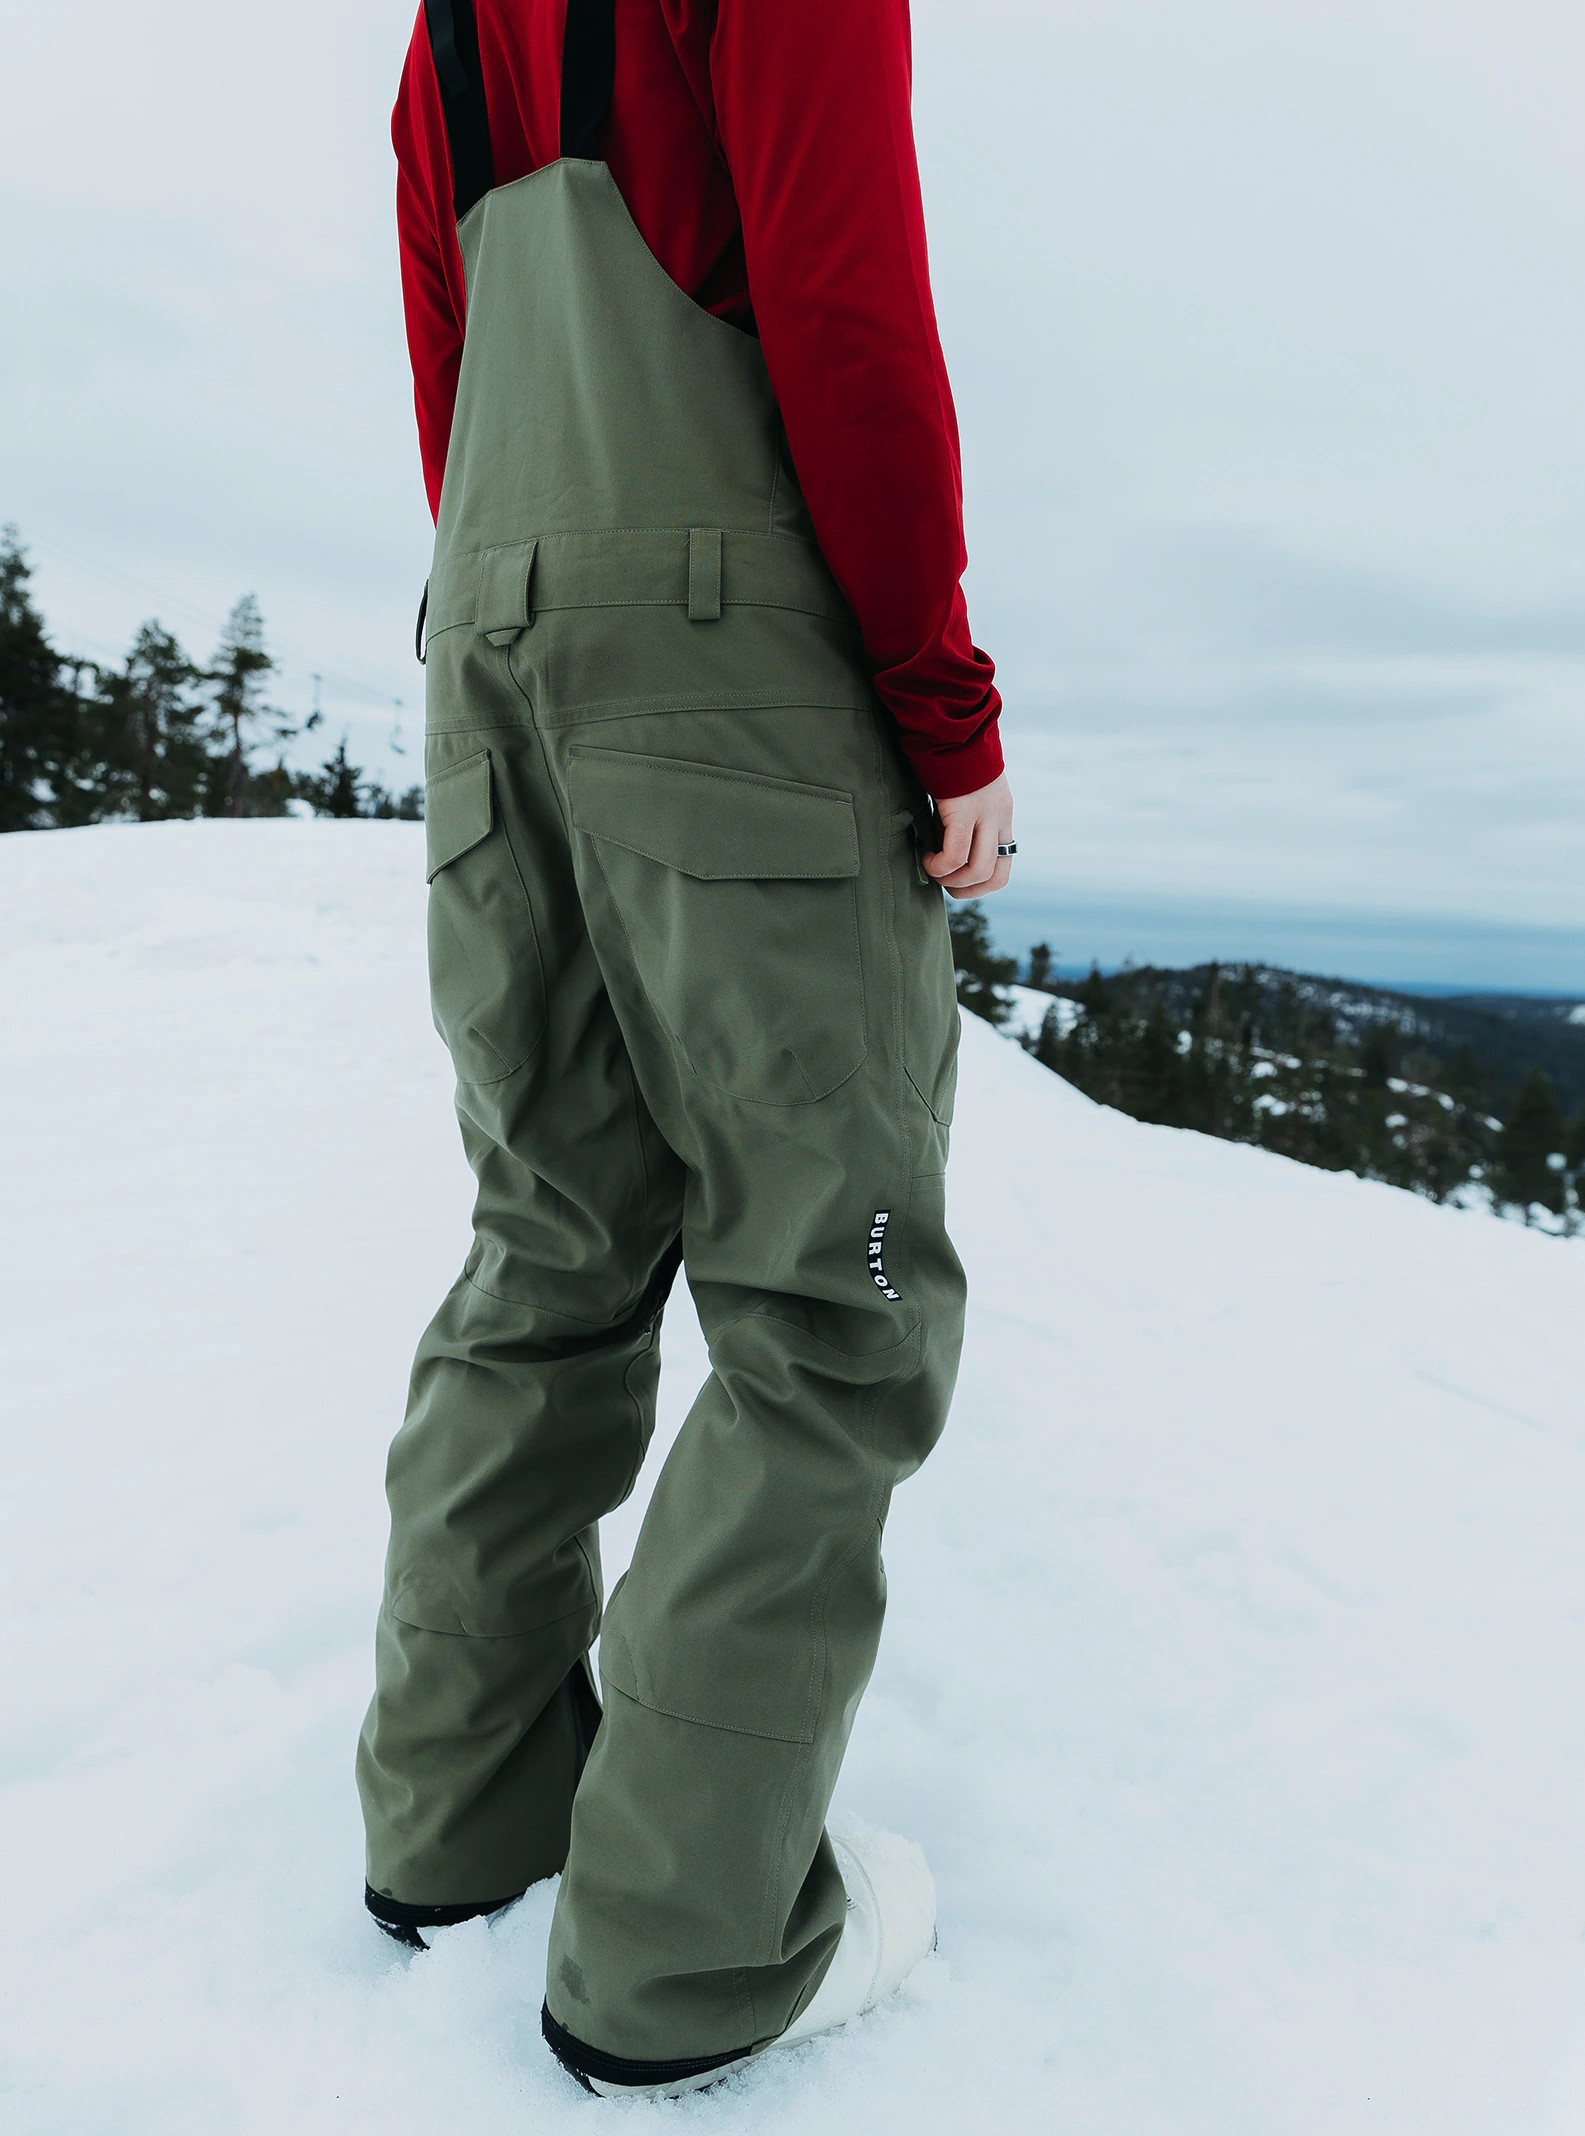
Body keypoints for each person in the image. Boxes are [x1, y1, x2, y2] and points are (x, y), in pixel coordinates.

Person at [356, 0, 1016, 2098]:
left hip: (492, 643)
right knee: (837, 1302)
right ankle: (683, 1951)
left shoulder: (446, 36)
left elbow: (456, 383)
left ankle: (458, 1818)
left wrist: (531, 624)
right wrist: (941, 706)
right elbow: (844, 310)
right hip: (726, 655)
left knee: (548, 1240)